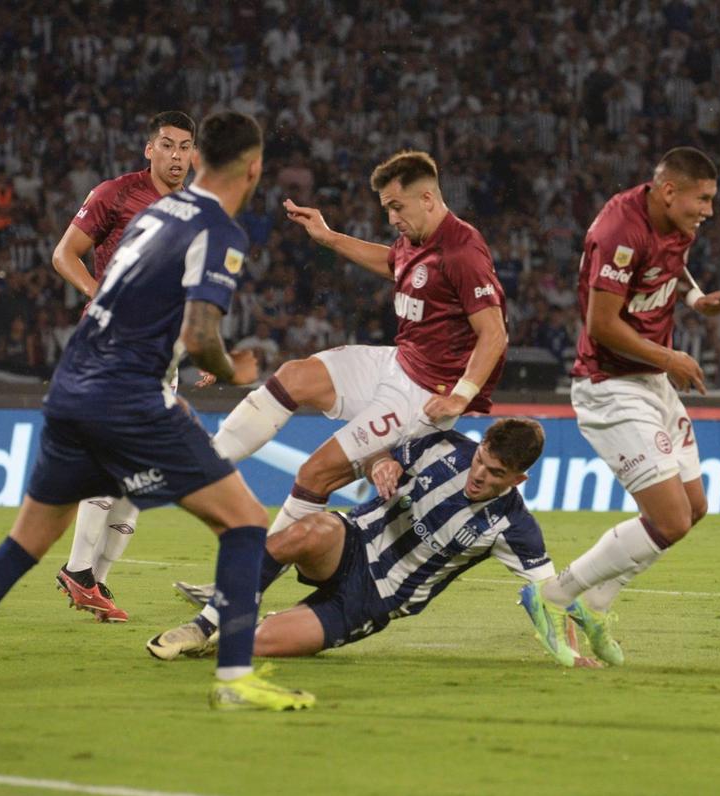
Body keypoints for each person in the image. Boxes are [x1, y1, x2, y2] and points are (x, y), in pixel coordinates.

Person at [0, 111, 314, 711]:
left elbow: (126, 293)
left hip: (72, 387)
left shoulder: (152, 214)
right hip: (130, 397)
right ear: (254, 169)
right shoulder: (221, 232)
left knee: (25, 543)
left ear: (198, 159)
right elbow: (202, 335)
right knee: (247, 523)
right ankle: (233, 682)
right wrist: (234, 372)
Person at [527, 147, 720, 667]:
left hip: (651, 379)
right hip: (609, 385)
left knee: (694, 510)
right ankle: (551, 596)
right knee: (670, 519)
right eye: (705, 198)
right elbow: (600, 325)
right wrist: (671, 356)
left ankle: (597, 604)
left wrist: (698, 302)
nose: (709, 211)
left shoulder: (676, 222)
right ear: (670, 190)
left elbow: (674, 268)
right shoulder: (617, 232)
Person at [209, 150, 508, 541]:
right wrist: (329, 238)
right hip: (398, 361)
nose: (391, 218)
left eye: (397, 207)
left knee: (315, 473)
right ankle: (202, 466)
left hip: (423, 394)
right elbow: (395, 265)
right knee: (294, 377)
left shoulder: (461, 249)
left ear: (428, 199)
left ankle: (249, 578)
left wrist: (461, 396)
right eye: (387, 208)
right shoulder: (414, 239)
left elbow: (494, 332)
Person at [150, 419, 592, 668]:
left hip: (373, 601)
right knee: (309, 529)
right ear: (478, 447)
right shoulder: (443, 446)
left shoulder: (514, 526)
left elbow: (548, 595)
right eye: (481, 461)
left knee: (247, 646)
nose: (479, 475)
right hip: (352, 543)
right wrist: (380, 464)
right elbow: (376, 455)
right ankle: (205, 623)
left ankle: (250, 626)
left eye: (496, 474)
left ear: (519, 479)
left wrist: (571, 653)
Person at [49, 110, 196, 623]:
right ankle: (77, 571)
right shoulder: (116, 193)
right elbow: (64, 254)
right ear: (148, 148)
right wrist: (99, 294)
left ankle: (96, 580)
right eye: (168, 145)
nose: (177, 156)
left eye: (185, 147)